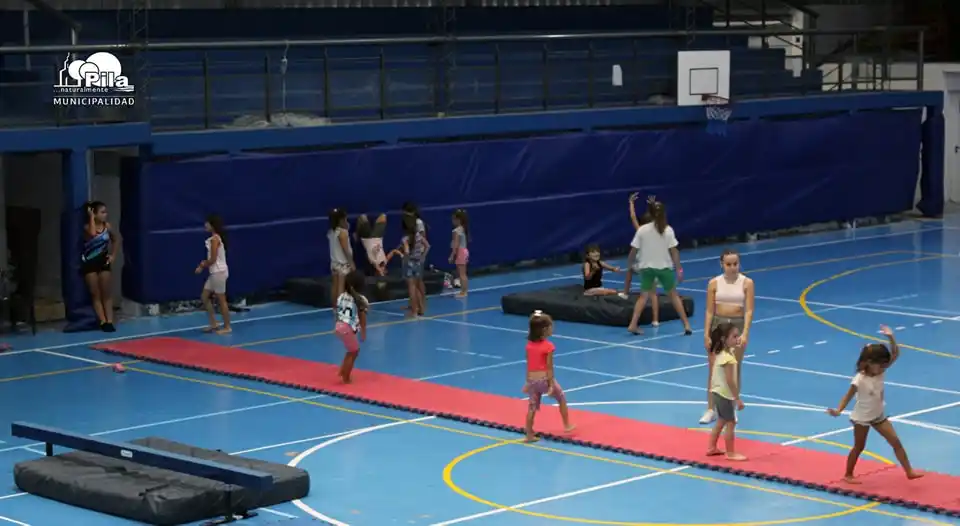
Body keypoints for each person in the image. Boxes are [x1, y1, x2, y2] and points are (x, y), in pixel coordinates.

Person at [826, 326, 923, 483]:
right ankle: (848, 474)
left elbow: (896, 354)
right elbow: (848, 395)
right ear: (869, 363)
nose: (884, 367)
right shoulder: (859, 379)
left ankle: (909, 471)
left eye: (885, 364)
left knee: (896, 442)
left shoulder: (880, 371)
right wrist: (838, 410)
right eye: (881, 364)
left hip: (878, 414)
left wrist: (891, 337)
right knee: (859, 447)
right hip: (862, 417)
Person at [700, 248, 755, 424]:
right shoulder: (714, 283)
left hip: (736, 325)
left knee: (734, 368)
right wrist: (706, 333)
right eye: (729, 264)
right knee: (713, 369)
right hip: (718, 325)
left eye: (735, 264)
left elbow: (749, 310)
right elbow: (709, 310)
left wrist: (745, 332)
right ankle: (711, 409)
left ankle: (731, 409)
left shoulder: (747, 283)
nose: (732, 267)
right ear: (722, 265)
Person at [625, 201, 692, 335]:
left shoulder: (642, 230)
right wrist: (679, 270)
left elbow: (633, 250)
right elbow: (674, 252)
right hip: (664, 268)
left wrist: (630, 264)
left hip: (646, 268)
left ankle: (633, 324)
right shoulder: (668, 230)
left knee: (643, 297)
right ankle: (686, 325)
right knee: (674, 296)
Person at [523, 310, 575, 442]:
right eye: (551, 326)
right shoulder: (548, 346)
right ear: (545, 330)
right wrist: (551, 385)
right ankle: (567, 425)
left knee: (532, 407)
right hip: (544, 379)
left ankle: (529, 434)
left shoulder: (529, 345)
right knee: (561, 398)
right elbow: (549, 367)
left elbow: (529, 364)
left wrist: (527, 382)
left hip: (533, 379)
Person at [706, 322, 747, 461]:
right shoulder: (728, 359)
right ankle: (730, 453)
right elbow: (730, 381)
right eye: (734, 336)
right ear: (724, 339)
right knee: (731, 422)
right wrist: (737, 398)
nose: (737, 339)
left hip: (716, 391)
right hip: (724, 394)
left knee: (721, 420)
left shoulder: (721, 353)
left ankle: (711, 447)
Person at [81, 201, 121, 332]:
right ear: (94, 214)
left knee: (106, 293)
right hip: (90, 263)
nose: (105, 215)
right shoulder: (87, 227)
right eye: (102, 212)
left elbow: (116, 240)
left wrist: (113, 255)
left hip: (103, 262)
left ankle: (110, 320)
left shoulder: (107, 227)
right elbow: (92, 234)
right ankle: (102, 320)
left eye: (106, 212)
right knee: (95, 293)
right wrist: (91, 217)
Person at [624, 193, 659, 323]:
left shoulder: (641, 232)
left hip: (644, 266)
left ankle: (626, 293)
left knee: (629, 269)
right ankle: (655, 320)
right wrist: (652, 205)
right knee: (653, 294)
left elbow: (633, 217)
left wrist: (631, 203)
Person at [194, 215, 231, 334]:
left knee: (221, 299)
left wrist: (202, 265)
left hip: (218, 272)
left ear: (212, 225)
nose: (205, 225)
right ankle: (214, 323)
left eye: (207, 223)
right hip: (214, 273)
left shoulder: (215, 239)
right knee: (204, 297)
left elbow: (213, 259)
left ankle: (227, 326)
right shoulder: (213, 239)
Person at [335, 271, 369, 384]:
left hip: (339, 325)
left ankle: (342, 370)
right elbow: (362, 317)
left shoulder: (341, 296)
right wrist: (363, 332)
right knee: (354, 351)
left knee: (351, 350)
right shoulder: (361, 299)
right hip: (347, 328)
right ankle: (346, 377)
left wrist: (337, 323)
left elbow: (338, 311)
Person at [327, 208, 355, 316]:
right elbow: (345, 250)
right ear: (342, 219)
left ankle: (335, 307)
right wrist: (351, 263)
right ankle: (341, 309)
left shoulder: (331, 232)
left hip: (334, 263)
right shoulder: (342, 232)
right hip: (342, 263)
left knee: (335, 285)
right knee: (341, 287)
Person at [402, 215, 430, 316]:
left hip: (410, 263)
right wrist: (422, 256)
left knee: (412, 287)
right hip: (418, 262)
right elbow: (427, 246)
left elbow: (406, 251)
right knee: (417, 286)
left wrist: (404, 257)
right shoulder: (419, 236)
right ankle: (421, 308)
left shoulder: (406, 239)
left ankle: (413, 310)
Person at [448, 209, 470, 298]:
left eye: (453, 219)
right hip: (464, 251)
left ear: (458, 220)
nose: (452, 221)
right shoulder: (463, 229)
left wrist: (452, 255)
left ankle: (463, 292)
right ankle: (464, 291)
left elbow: (455, 244)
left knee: (461, 274)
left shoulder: (456, 231)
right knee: (463, 273)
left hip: (460, 251)